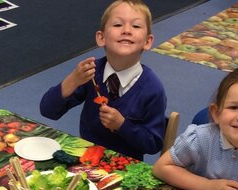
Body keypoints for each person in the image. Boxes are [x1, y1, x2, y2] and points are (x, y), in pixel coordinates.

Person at [39, 0, 166, 160]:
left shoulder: (152, 88)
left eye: (136, 26)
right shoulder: (91, 73)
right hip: (87, 159)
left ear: (147, 42)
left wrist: (122, 125)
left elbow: (153, 144)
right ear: (101, 38)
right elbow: (48, 111)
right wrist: (72, 80)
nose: (126, 30)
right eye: (118, 25)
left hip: (125, 169)